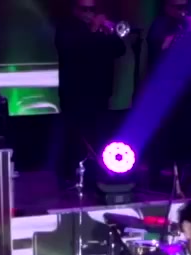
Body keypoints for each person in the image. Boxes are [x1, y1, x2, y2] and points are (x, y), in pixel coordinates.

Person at [55, 0, 127, 187]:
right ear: (75, 9)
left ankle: (95, 174)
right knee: (76, 137)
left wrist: (110, 32)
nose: (89, 13)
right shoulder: (66, 29)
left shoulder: (101, 31)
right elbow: (77, 52)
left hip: (100, 92)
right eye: (84, 9)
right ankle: (71, 176)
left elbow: (120, 50)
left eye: (92, 9)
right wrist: (94, 29)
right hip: (75, 93)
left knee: (98, 135)